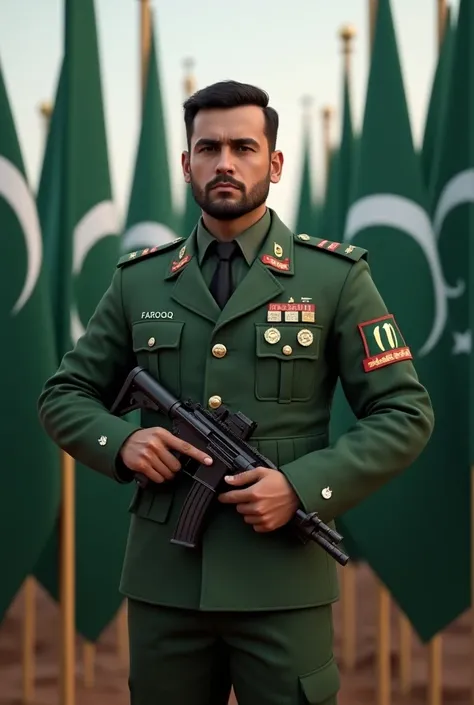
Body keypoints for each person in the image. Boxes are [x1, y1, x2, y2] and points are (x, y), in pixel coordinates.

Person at [38, 80, 434, 705]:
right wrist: (123, 442)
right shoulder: (139, 281)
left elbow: (405, 412)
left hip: (283, 580)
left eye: (244, 147)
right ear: (187, 162)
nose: (225, 162)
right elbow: (64, 393)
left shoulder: (335, 279)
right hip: (165, 585)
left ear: (274, 163)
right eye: (209, 147)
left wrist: (303, 487)